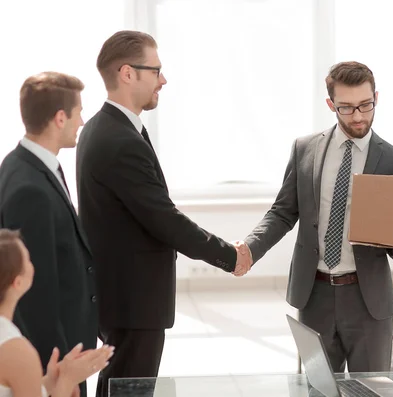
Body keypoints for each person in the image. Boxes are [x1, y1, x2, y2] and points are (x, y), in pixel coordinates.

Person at [235, 61, 393, 372]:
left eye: (366, 105)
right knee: (318, 389)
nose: (359, 116)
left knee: (372, 392)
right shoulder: (304, 149)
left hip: (368, 301)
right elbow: (282, 212)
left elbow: (392, 235)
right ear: (330, 104)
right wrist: (251, 248)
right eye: (346, 108)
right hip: (314, 294)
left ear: (377, 97)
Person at [75, 30, 251, 397]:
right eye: (156, 70)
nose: (163, 79)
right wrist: (229, 255)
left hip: (121, 298)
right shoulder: (119, 139)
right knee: (128, 391)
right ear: (127, 73)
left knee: (118, 387)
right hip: (133, 303)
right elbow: (163, 218)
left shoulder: (103, 128)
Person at [0, 72, 98, 396]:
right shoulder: (30, 189)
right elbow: (36, 294)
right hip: (55, 358)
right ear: (60, 118)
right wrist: (58, 371)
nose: (82, 121)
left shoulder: (25, 164)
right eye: (78, 112)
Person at [0, 229, 113, 397]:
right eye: (28, 261)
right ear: (18, 282)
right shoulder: (18, 351)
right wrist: (68, 381)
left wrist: (50, 382)